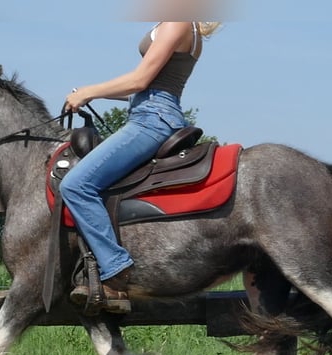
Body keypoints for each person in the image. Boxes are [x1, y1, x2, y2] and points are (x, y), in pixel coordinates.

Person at [61, 21, 222, 313]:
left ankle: (115, 270)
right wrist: (90, 92)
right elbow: (142, 87)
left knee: (76, 185)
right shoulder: (186, 25)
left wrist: (89, 92)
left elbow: (140, 80)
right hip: (152, 112)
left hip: (152, 120)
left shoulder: (178, 22)